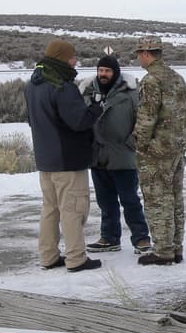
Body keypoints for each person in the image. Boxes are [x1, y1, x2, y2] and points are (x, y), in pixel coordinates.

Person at [25, 38, 104, 273]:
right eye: (72, 57)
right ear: (62, 58)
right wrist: (95, 109)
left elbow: (32, 120)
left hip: (45, 158)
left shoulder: (32, 84)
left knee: (50, 209)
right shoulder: (61, 85)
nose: (75, 60)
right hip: (67, 160)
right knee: (73, 209)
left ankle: (48, 256)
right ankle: (76, 257)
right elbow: (78, 121)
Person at [81, 54, 151, 255]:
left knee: (130, 200)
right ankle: (110, 238)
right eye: (100, 70)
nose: (103, 74)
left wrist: (132, 143)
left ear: (115, 72)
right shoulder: (88, 91)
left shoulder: (130, 92)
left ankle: (141, 238)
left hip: (123, 156)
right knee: (105, 202)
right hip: (98, 157)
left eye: (107, 71)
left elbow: (143, 121)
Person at [133, 36, 186, 266]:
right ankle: (176, 248)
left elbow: (147, 117)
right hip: (176, 147)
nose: (138, 58)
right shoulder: (176, 78)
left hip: (157, 150)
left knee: (157, 199)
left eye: (139, 53)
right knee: (175, 198)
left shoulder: (151, 80)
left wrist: (140, 143)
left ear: (146, 54)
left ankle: (163, 250)